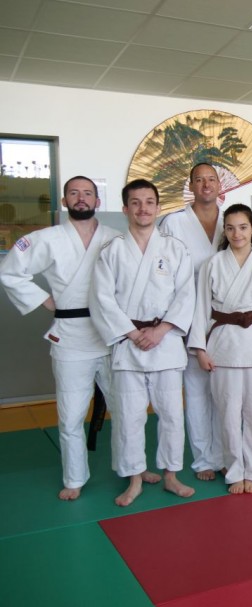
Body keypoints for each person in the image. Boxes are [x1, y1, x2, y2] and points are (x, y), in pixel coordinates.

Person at [0, 176, 119, 500]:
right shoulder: (47, 238)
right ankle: (75, 478)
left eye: (88, 194)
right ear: (64, 201)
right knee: (70, 415)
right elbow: (9, 271)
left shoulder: (115, 238)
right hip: (69, 335)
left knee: (126, 408)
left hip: (111, 334)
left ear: (98, 201)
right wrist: (44, 299)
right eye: (74, 194)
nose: (81, 199)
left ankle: (132, 467)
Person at [90, 179, 195, 506]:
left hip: (165, 342)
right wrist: (133, 333)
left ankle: (170, 475)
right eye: (135, 203)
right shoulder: (112, 251)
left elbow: (186, 295)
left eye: (149, 202)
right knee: (129, 416)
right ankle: (135, 477)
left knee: (171, 414)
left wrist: (162, 329)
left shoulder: (176, 249)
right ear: (125, 209)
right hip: (128, 343)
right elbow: (101, 299)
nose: (143, 208)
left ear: (158, 207)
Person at [188, 204, 252, 494]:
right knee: (227, 413)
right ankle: (234, 469)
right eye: (231, 227)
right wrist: (200, 349)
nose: (237, 233)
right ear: (225, 230)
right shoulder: (212, 264)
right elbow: (200, 308)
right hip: (221, 347)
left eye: (243, 227)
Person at [159, 162, 224, 481]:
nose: (206, 185)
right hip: (187, 317)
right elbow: (162, 275)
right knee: (196, 392)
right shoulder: (173, 222)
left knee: (225, 393)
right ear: (191, 185)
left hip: (226, 320)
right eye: (199, 180)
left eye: (211, 179)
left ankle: (225, 454)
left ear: (219, 184)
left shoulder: (233, 220)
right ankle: (203, 459)